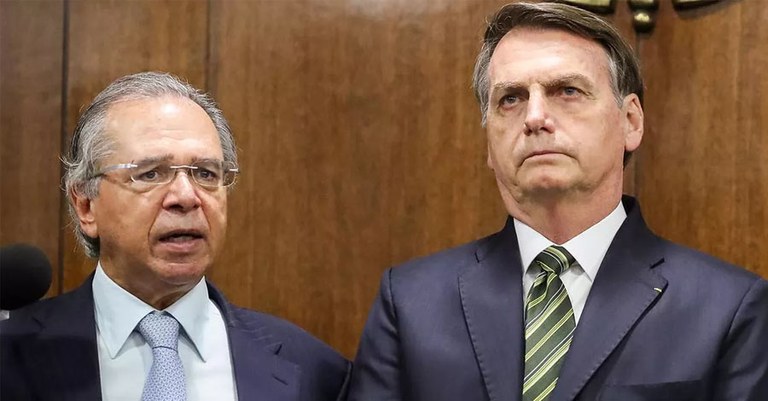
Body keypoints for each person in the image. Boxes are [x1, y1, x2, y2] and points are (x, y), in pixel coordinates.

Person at [348, 2, 768, 401]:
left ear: (630, 121)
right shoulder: (410, 303)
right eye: (511, 98)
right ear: (489, 144)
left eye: (567, 90)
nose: (534, 118)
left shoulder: (729, 309)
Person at [0, 71, 350, 401]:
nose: (186, 196)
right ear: (86, 206)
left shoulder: (316, 372)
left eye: (205, 173)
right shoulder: (10, 354)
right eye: (151, 174)